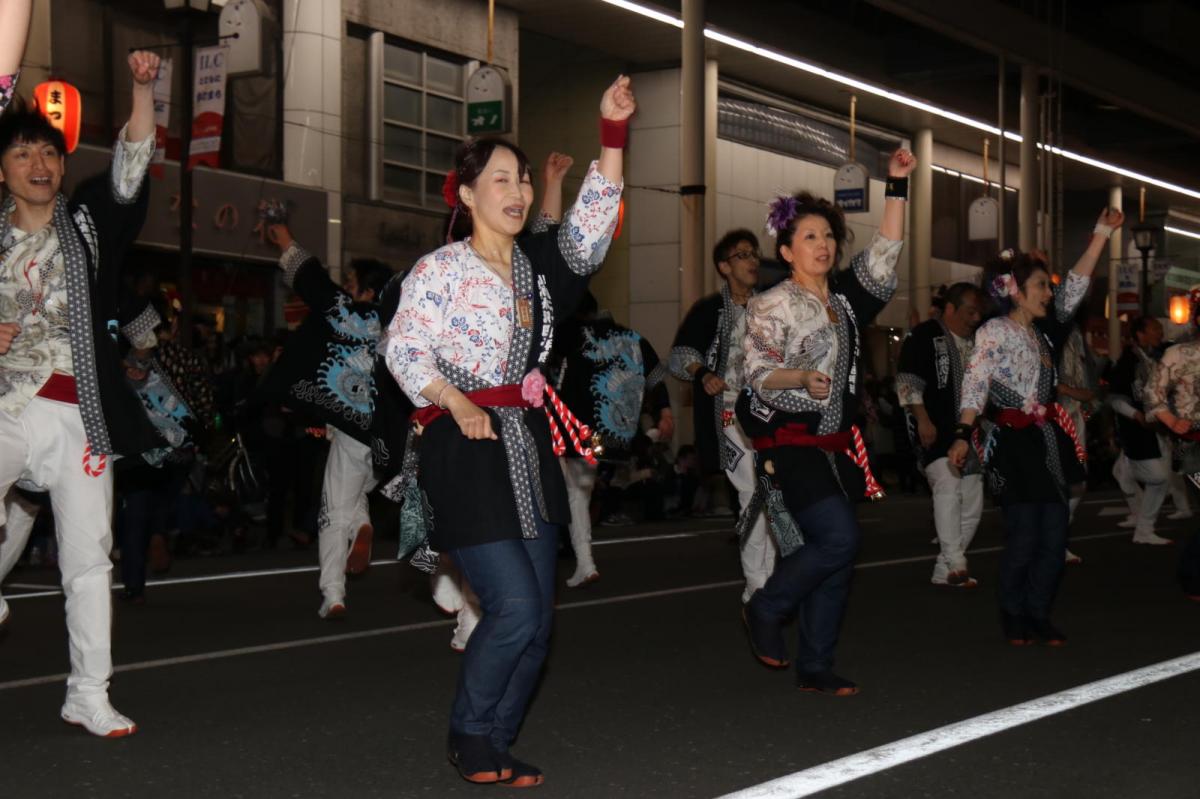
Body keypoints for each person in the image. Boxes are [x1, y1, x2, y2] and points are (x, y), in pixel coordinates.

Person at [383, 76, 632, 787]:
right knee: (515, 606)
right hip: (461, 447)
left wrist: (612, 133)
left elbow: (592, 225)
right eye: (501, 179)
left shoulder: (541, 269)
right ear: (466, 194)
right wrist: (453, 399)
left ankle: (495, 737)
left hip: (527, 445)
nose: (519, 189)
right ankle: (469, 732)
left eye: (523, 178)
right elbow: (403, 348)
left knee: (539, 623)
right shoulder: (438, 270)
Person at [0, 50, 162, 737]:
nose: (38, 164)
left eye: (48, 153)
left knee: (90, 558)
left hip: (80, 414)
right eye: (22, 153)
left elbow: (131, 161)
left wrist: (142, 88)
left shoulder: (89, 221)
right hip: (8, 403)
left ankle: (88, 693)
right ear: (2, 170)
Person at [737, 148, 916, 696]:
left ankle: (815, 665)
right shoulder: (770, 304)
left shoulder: (846, 302)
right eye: (810, 236)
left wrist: (897, 185)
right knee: (840, 538)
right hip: (790, 443)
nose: (823, 244)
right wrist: (800, 378)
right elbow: (757, 373)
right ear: (786, 250)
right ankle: (766, 606)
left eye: (829, 235)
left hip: (836, 446)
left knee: (835, 562)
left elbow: (885, 252)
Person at [949, 208, 1126, 647]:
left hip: (1049, 440)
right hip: (1013, 443)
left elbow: (1077, 283)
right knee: (1025, 535)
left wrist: (1101, 232)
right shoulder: (993, 331)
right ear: (1015, 291)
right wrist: (962, 433)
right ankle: (1013, 613)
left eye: (1049, 286)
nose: (1049, 292)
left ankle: (1039, 612)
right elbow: (976, 382)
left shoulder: (1047, 331)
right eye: (1041, 285)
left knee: (1055, 534)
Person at [261, 210, 393, 619]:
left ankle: (333, 593)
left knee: (333, 508)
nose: (346, 289)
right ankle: (363, 524)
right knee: (354, 494)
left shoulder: (349, 314)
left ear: (367, 291)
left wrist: (285, 240)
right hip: (389, 434)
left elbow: (314, 284)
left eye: (352, 284)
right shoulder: (399, 325)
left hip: (351, 426)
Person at [670, 228, 774, 603]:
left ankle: (769, 577)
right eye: (742, 255)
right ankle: (757, 581)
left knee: (773, 493)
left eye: (754, 254)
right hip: (729, 414)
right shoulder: (708, 310)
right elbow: (680, 355)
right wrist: (703, 374)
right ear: (724, 266)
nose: (752, 261)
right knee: (751, 492)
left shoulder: (774, 306)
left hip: (771, 415)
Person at [897, 281, 985, 587]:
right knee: (948, 486)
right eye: (969, 311)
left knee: (972, 501)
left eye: (978, 312)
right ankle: (956, 561)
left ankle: (944, 568)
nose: (975, 318)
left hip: (967, 432)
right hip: (933, 428)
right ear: (950, 308)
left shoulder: (979, 341)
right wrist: (922, 419)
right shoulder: (924, 334)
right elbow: (907, 380)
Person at [1144, 289, 1200, 598]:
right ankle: (1191, 576)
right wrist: (1171, 420)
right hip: (1192, 446)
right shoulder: (1178, 354)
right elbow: (1152, 393)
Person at [1108, 316, 1173, 545]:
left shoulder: (1157, 356)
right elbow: (1115, 399)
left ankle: (1140, 519)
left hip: (1158, 427)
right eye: (1155, 328)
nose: (1160, 332)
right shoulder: (1128, 362)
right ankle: (1144, 528)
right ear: (1140, 334)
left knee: (1124, 473)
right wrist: (1137, 415)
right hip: (1137, 429)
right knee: (1159, 478)